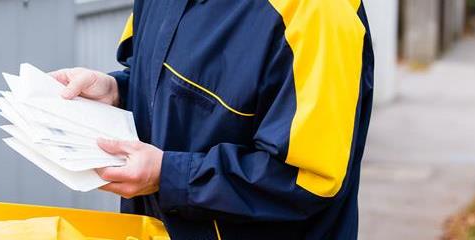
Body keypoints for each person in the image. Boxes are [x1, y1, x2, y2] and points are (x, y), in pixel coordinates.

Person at [49, 1, 373, 239]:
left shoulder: (319, 12)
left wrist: (168, 174)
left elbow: (307, 180)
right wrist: (117, 89)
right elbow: (154, 77)